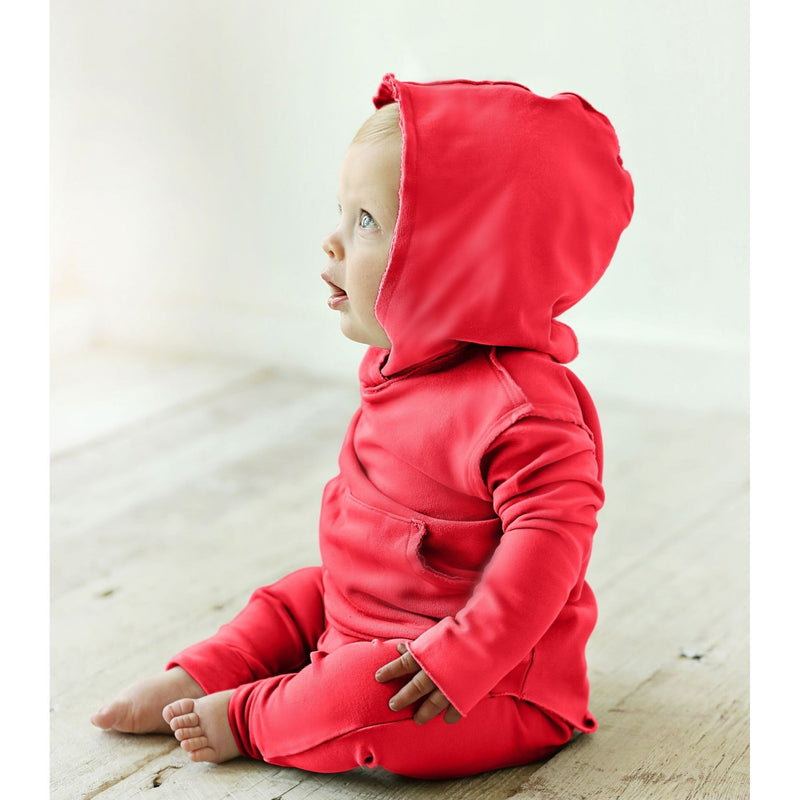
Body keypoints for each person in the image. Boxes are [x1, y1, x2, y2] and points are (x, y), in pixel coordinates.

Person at [91, 73, 634, 780]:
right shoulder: (402, 362)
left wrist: (463, 656)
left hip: (479, 685)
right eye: (341, 214)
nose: (333, 243)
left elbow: (551, 541)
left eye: (367, 222)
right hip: (364, 614)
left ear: (463, 257)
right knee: (297, 596)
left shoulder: (523, 407)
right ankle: (205, 671)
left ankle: (253, 716)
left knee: (365, 694)